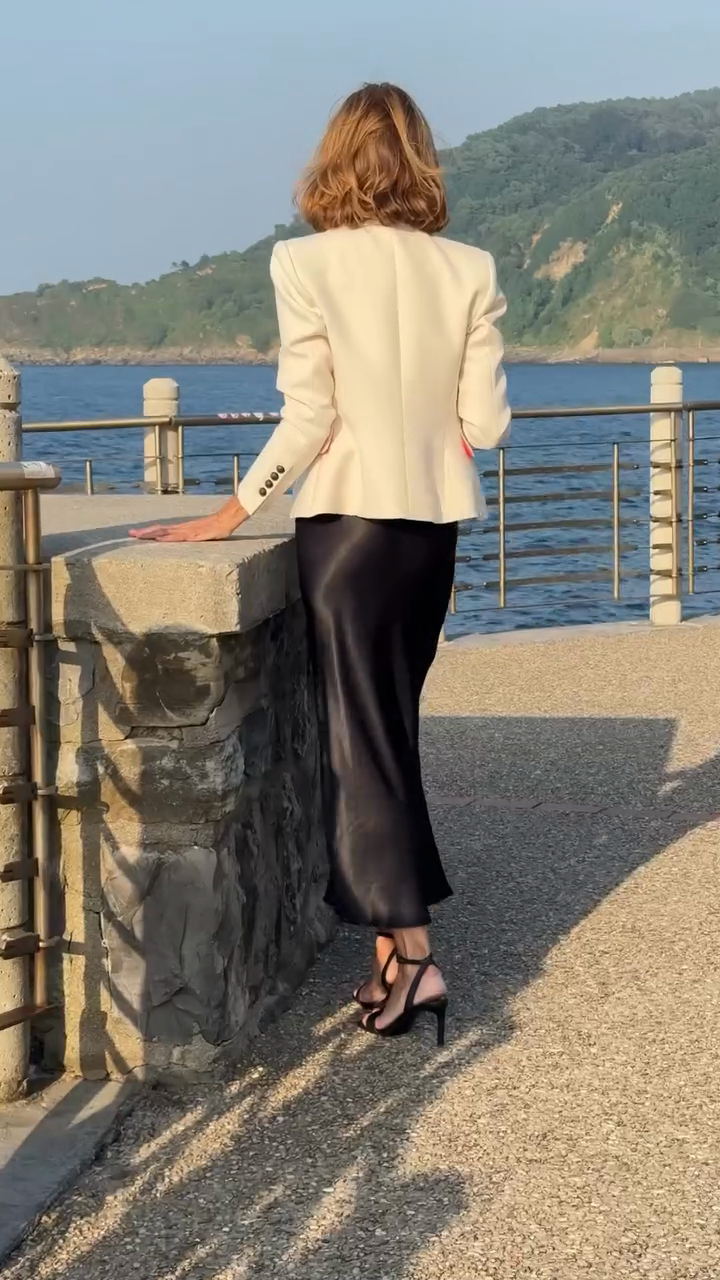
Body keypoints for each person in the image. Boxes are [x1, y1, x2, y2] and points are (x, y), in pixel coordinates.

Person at [130, 82, 511, 1045]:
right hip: (428, 534)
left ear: (334, 157)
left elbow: (309, 416)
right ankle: (391, 958)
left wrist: (232, 511)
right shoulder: (470, 269)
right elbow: (487, 423)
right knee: (388, 729)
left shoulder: (302, 262)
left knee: (361, 739)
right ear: (420, 158)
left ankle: (414, 956)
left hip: (344, 529)